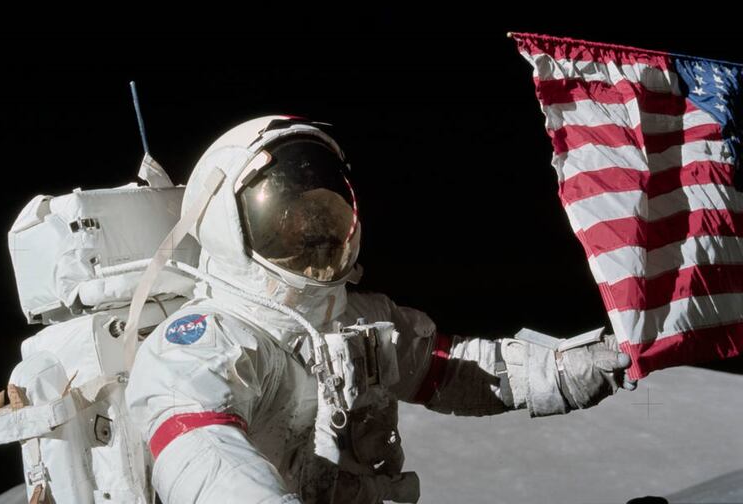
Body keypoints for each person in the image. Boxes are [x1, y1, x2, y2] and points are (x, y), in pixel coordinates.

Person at [125, 115, 634, 504]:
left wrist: (566, 372)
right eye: (288, 226)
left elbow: (456, 370)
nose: (315, 239)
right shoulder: (202, 343)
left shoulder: (356, 318)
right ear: (230, 229)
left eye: (322, 219)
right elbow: (206, 460)